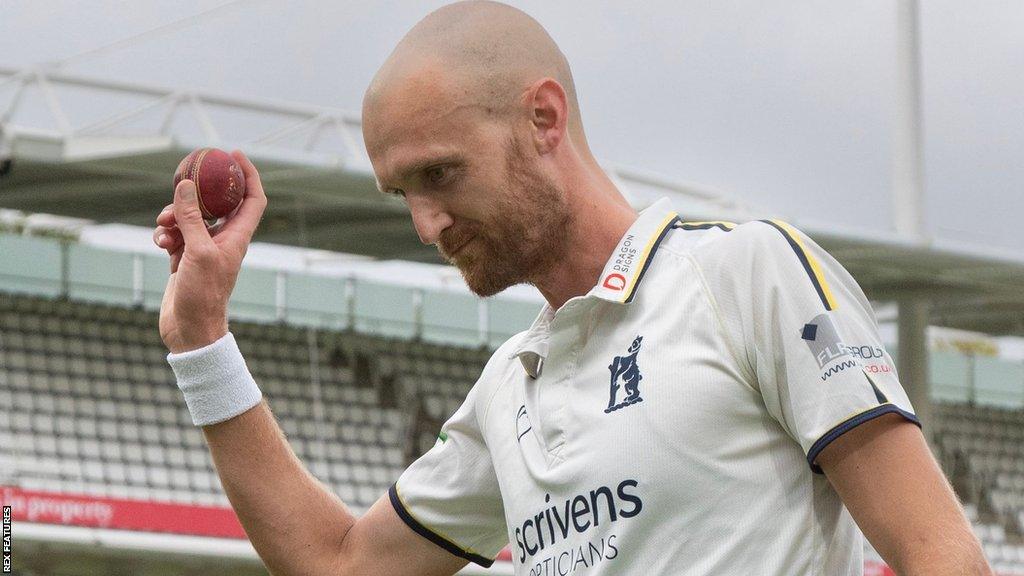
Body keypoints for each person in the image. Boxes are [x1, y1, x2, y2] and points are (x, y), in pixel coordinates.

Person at [151, 1, 991, 574]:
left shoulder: (745, 273)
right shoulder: (507, 389)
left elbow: (942, 556)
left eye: (441, 174)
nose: (428, 225)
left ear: (543, 119)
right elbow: (336, 561)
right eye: (403, 193)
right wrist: (202, 343)